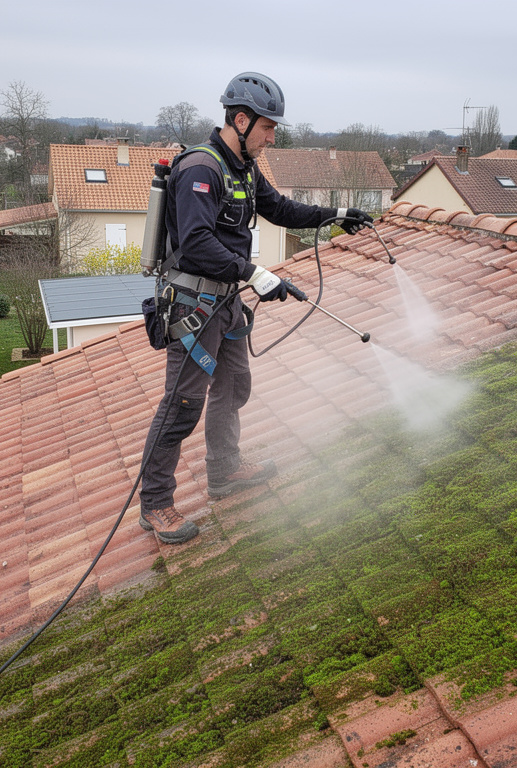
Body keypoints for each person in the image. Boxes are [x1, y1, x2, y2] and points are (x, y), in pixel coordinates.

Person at [139, 72, 374, 544]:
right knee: (183, 404)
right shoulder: (200, 170)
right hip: (193, 306)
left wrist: (336, 216)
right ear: (240, 120)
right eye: (267, 128)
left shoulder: (242, 166)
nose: (271, 138)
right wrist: (255, 274)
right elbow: (199, 244)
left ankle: (224, 472)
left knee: (234, 385)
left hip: (225, 303)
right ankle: (155, 503)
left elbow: (282, 209)